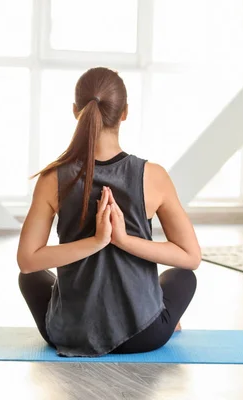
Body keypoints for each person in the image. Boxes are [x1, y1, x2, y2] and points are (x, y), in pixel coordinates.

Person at [16, 67, 201, 357]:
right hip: (144, 335)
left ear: (76, 111)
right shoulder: (153, 176)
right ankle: (164, 317)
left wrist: (97, 243)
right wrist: (121, 240)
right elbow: (190, 257)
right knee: (183, 277)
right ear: (124, 112)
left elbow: (27, 262)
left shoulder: (52, 178)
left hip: (70, 333)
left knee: (30, 277)